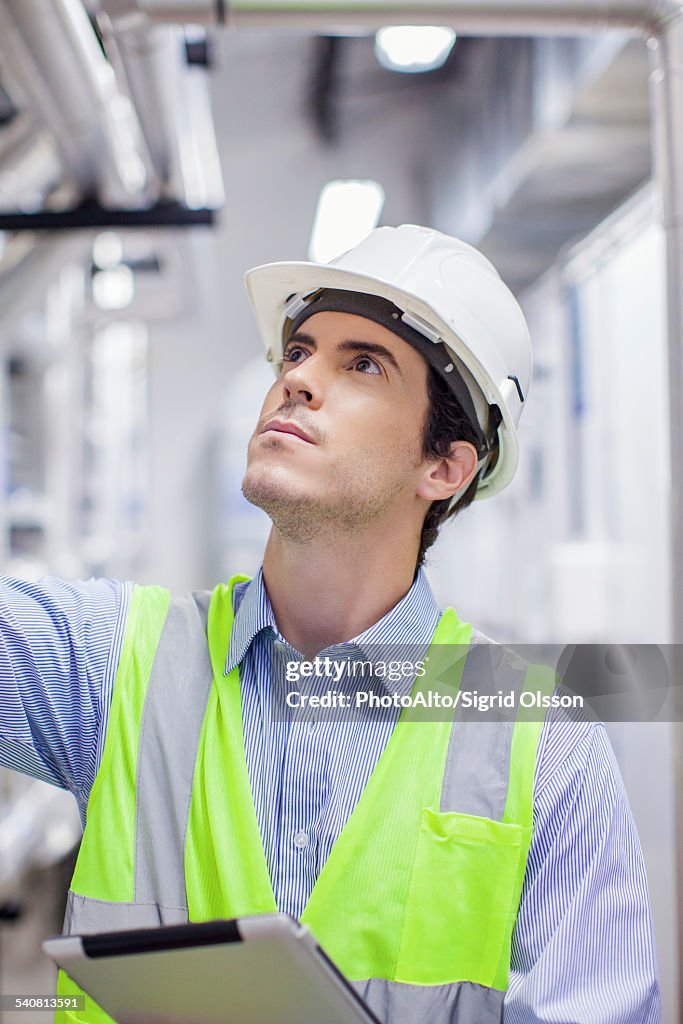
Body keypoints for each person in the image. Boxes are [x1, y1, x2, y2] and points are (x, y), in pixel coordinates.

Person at [0, 225, 661, 1023]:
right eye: (298, 351)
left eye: (362, 364)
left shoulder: (540, 738)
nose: (299, 379)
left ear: (444, 467)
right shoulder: (115, 661)